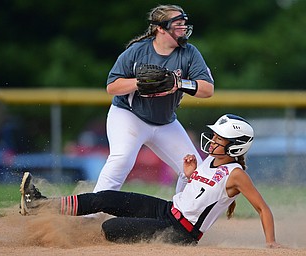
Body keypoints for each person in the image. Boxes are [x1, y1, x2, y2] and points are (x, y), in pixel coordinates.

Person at [19, 114, 280, 248]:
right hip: (167, 210)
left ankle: (72, 235)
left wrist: (270, 244)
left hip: (182, 233)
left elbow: (263, 208)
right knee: (106, 197)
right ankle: (40, 205)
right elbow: (201, 194)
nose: (212, 141)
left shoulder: (237, 174)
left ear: (235, 147)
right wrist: (190, 175)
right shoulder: (209, 161)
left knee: (113, 227)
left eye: (219, 139)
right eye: (214, 136)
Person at [93, 4, 214, 194]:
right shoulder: (138, 51)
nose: (183, 29)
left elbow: (207, 89)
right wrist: (141, 82)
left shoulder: (189, 53)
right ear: (160, 28)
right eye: (178, 24)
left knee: (194, 171)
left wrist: (180, 83)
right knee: (122, 159)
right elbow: (112, 86)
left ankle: (180, 217)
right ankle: (91, 213)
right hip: (129, 116)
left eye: (184, 24)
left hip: (165, 122)